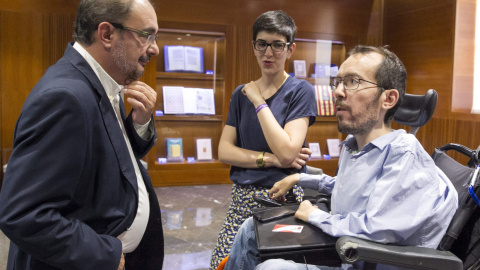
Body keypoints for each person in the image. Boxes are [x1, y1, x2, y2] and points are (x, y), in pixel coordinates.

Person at [224, 45, 459, 270]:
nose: (337, 92)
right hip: (343, 250)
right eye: (338, 82)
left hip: (367, 261)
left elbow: (377, 230)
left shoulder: (403, 153)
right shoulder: (354, 145)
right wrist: (300, 179)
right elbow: (354, 190)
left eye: (353, 82)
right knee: (251, 230)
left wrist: (315, 215)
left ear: (388, 99)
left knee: (271, 268)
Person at [0, 0, 163, 269]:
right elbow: (23, 213)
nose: (154, 48)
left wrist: (140, 122)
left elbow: (112, 158)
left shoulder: (102, 81)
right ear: (107, 34)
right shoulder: (65, 98)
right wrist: (103, 254)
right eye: (146, 35)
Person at [209, 10, 317, 269]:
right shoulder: (239, 94)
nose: (268, 53)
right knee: (221, 264)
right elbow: (224, 150)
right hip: (241, 198)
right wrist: (269, 159)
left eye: (277, 45)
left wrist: (258, 101)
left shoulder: (301, 91)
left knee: (262, 264)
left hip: (281, 199)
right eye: (262, 44)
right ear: (254, 46)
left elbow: (289, 153)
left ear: (290, 49)